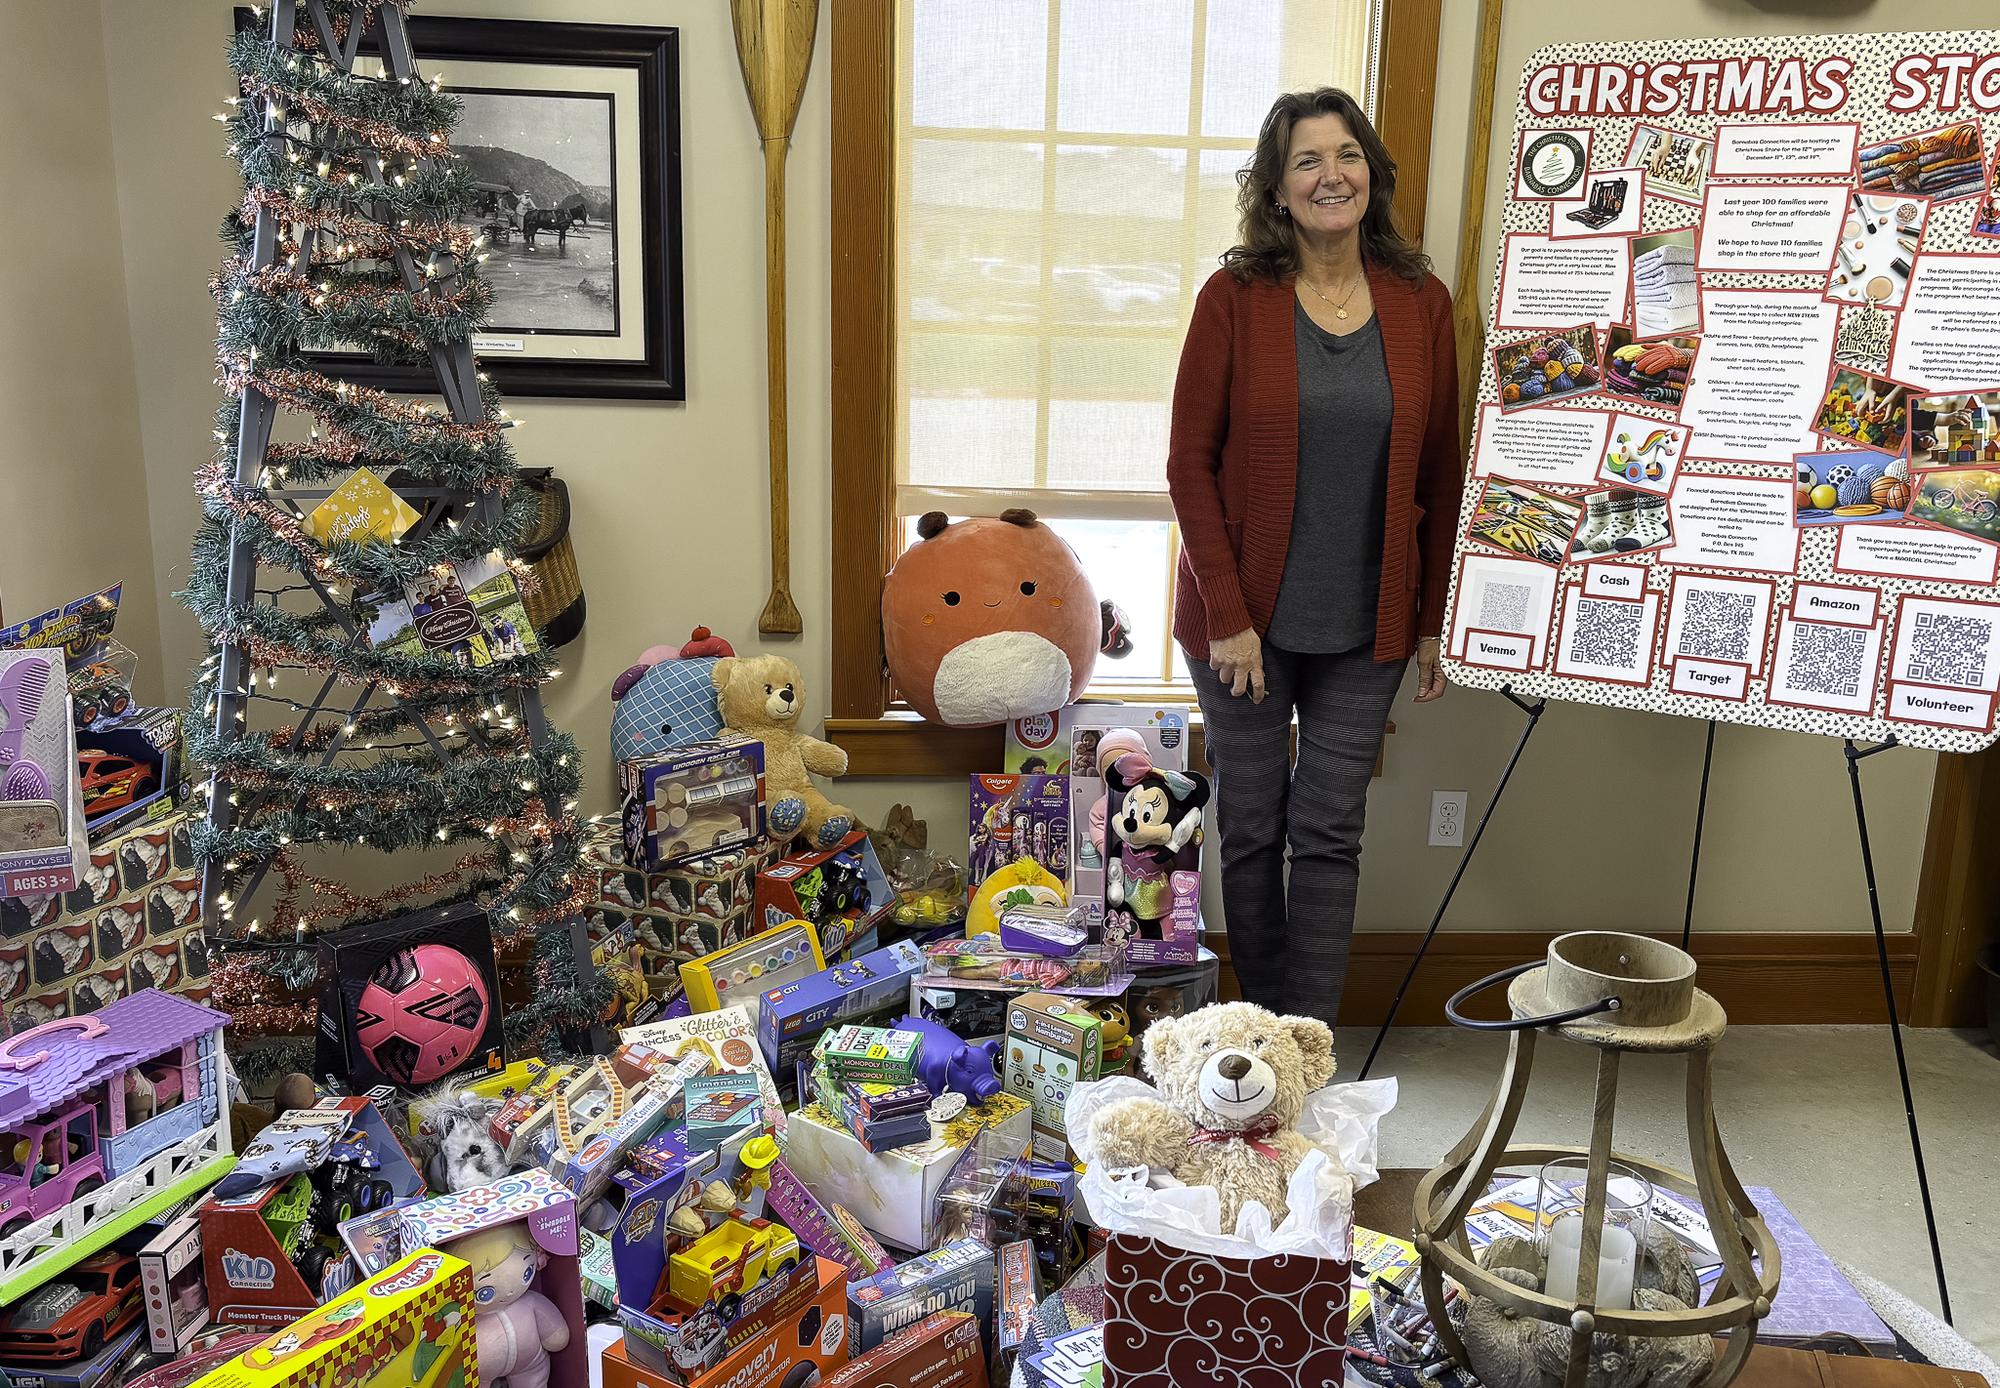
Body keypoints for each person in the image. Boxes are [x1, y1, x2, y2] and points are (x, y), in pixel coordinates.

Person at [1167, 87, 1462, 1027]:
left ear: (1371, 174)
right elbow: (1188, 464)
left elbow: (1446, 470)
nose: (1330, 174)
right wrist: (1229, 615)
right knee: (1253, 830)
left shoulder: (1422, 305)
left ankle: (1308, 1046)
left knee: (1330, 834)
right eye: (1306, 160)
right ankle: (1256, 1035)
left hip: (1367, 624)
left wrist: (1430, 620)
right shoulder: (1236, 300)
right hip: (1242, 623)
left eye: (1346, 155)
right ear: (1277, 188)